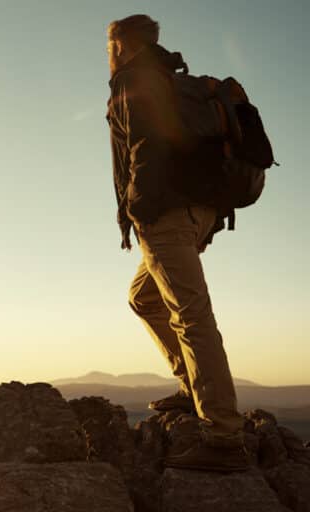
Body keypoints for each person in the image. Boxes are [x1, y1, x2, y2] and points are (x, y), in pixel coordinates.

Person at [106, 14, 248, 471]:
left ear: (120, 45)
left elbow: (145, 147)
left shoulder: (134, 80)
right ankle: (192, 387)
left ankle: (224, 437)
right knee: (144, 297)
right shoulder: (179, 83)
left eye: (109, 47)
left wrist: (137, 211)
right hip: (199, 211)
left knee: (191, 315)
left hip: (165, 214)